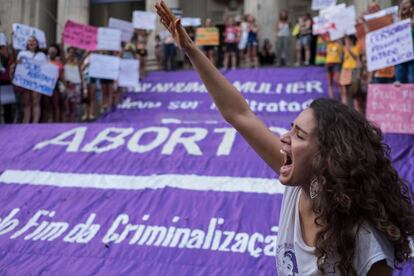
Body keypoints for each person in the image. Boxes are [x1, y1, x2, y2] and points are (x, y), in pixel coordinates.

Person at [155, 2, 414, 275]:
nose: (284, 138)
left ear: (328, 157)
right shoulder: (298, 184)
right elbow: (238, 113)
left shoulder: (365, 242)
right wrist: (190, 50)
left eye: (299, 135)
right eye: (291, 129)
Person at [15, 36, 47, 123]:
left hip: (37, 82)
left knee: (36, 102)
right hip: (25, 82)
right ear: (27, 43)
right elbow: (18, 67)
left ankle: (35, 123)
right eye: (29, 41)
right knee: (26, 103)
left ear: (37, 43)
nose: (31, 42)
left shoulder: (42, 55)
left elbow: (45, 69)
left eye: (34, 41)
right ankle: (26, 122)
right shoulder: (21, 53)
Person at [395, 0, 414, 83]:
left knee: (411, 80)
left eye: (406, 3)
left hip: (412, 56)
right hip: (401, 56)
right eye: (402, 3)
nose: (403, 5)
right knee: (399, 81)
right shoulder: (398, 20)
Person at [45, 44, 64, 122]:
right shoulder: (44, 61)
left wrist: (64, 87)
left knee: (55, 104)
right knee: (46, 105)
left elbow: (62, 76)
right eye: (51, 51)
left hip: (55, 84)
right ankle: (46, 122)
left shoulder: (59, 63)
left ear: (56, 53)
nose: (52, 52)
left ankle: (56, 122)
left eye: (54, 51)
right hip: (45, 85)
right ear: (48, 52)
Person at [339, 35, 360, 106]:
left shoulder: (356, 47)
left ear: (352, 40)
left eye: (348, 40)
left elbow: (355, 57)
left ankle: (356, 108)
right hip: (344, 70)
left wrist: (349, 49)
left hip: (353, 70)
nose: (347, 41)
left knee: (354, 92)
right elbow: (340, 43)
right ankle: (345, 106)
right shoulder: (344, 49)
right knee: (344, 91)